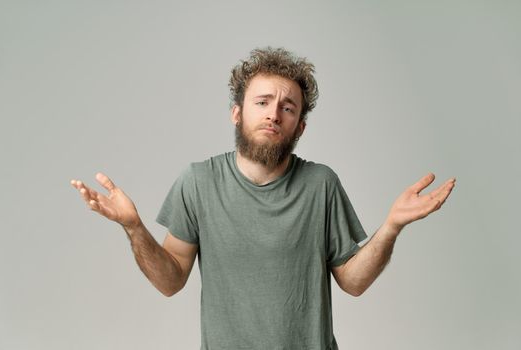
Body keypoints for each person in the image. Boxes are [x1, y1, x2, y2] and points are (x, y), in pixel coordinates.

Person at [71, 47, 456, 349]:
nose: (274, 114)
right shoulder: (198, 182)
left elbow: (352, 282)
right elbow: (171, 281)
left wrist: (391, 228)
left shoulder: (321, 184)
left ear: (300, 126)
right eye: (262, 102)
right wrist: (134, 228)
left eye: (287, 108)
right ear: (236, 113)